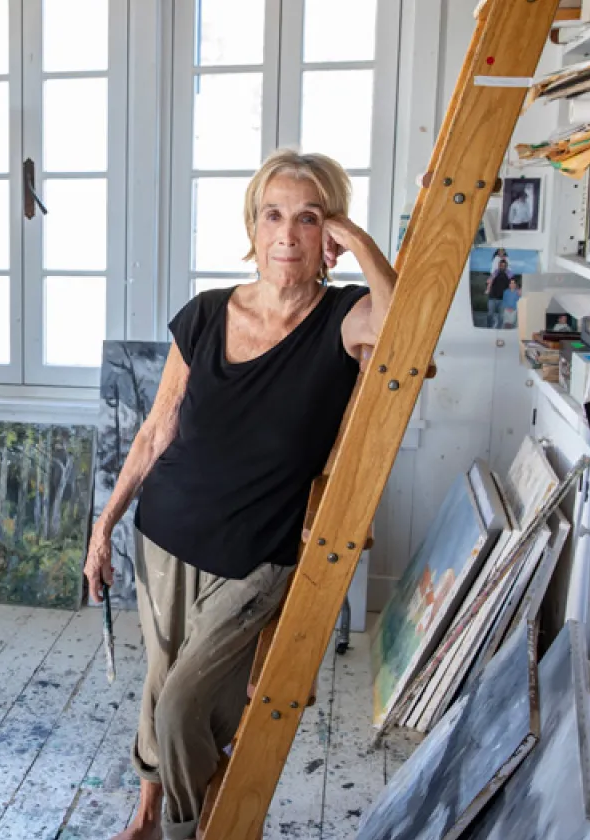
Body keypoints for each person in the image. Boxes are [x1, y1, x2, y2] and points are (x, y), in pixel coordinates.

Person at [85, 148, 395, 840]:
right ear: (252, 227)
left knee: (185, 706)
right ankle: (144, 811)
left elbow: (406, 323)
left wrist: (362, 240)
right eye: (273, 214)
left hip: (259, 553)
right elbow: (155, 430)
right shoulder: (204, 314)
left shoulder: (347, 318)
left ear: (330, 235)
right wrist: (104, 528)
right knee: (162, 679)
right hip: (164, 531)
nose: (287, 233)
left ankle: (189, 829)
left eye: (309, 218)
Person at [486, 259, 510, 328]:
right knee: (490, 314)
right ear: (499, 266)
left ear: (506, 267)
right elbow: (488, 281)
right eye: (501, 265)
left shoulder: (508, 275)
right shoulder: (495, 272)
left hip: (503, 300)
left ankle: (499, 329)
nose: (502, 267)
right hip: (492, 298)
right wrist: (489, 281)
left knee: (501, 316)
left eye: (504, 266)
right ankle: (489, 327)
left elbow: (512, 285)